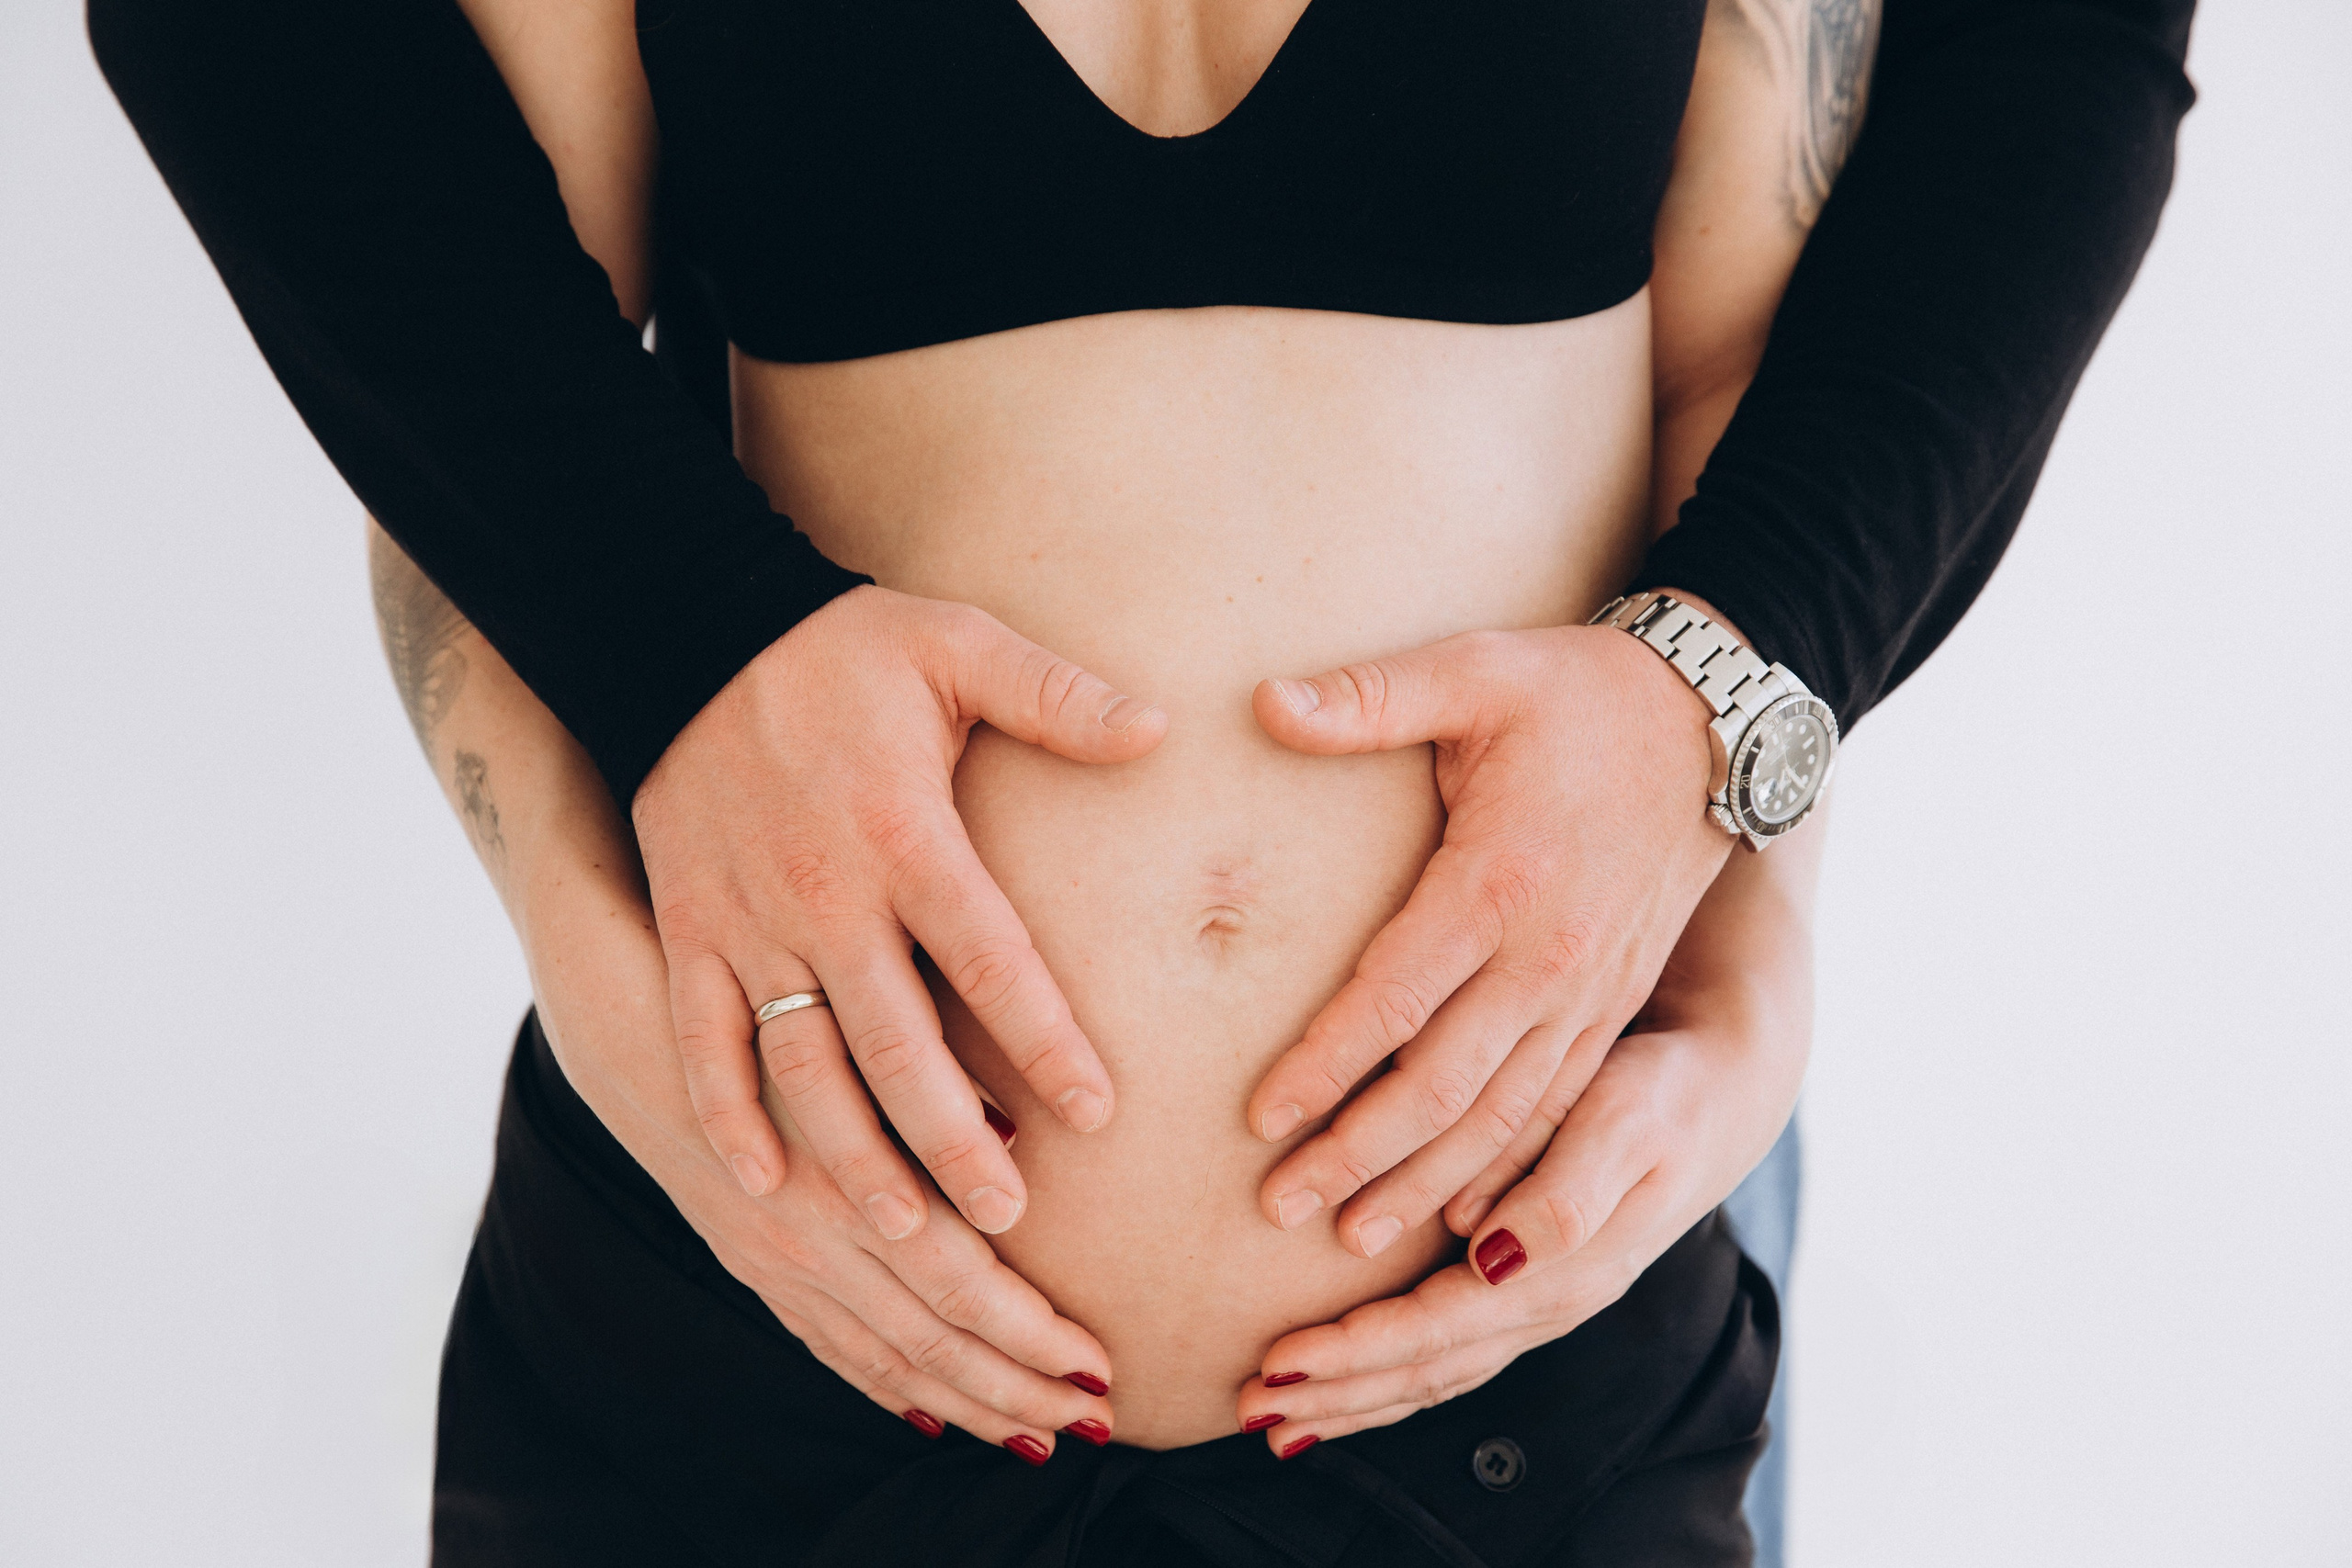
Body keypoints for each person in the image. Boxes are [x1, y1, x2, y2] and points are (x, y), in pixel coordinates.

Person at [92, 0, 2197, 1561]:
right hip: (765, 1354)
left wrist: (1746, 944)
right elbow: (482, 375)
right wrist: (619, 1000)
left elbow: (1769, 370)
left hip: (1502, 1396)